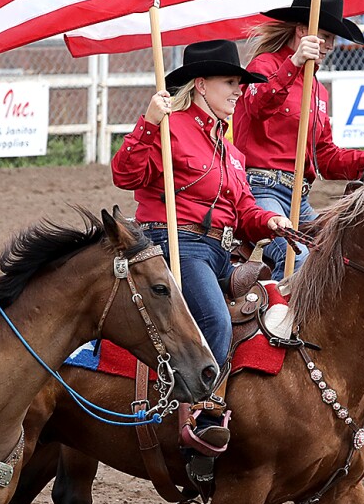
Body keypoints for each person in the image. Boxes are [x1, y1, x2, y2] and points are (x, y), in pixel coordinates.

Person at [111, 40, 286, 454]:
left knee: (275, 306)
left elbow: (244, 209)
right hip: (177, 243)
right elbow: (125, 174)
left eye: (241, 84)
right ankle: (200, 416)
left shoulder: (231, 149)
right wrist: (148, 123)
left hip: (223, 253)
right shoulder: (169, 127)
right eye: (231, 82)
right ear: (202, 85)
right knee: (215, 321)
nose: (239, 91)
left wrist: (270, 221)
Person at [231, 0, 364, 278]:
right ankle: (282, 308)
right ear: (302, 31)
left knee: (339, 258)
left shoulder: (317, 90)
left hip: (298, 197)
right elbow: (259, 106)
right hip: (259, 189)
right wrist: (295, 63)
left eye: (332, 39)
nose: (330, 46)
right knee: (297, 258)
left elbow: (325, 157)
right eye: (325, 36)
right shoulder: (264, 66)